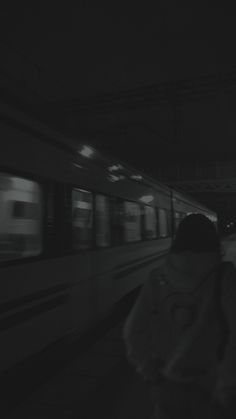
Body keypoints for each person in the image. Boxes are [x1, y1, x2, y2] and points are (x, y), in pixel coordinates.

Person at [123, 214, 236, 418]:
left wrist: (150, 375)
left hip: (169, 383)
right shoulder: (225, 277)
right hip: (212, 386)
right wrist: (227, 383)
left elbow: (132, 332)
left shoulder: (157, 277)